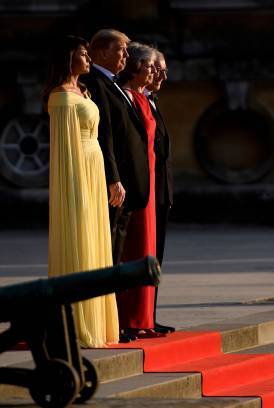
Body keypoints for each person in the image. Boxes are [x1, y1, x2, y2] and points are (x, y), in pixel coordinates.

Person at [44, 35, 119, 347]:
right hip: (77, 175)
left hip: (93, 169)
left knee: (96, 240)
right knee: (80, 238)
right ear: (69, 58)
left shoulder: (83, 91)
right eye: (83, 54)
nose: (88, 59)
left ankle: (97, 320)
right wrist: (74, 190)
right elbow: (64, 152)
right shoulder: (61, 96)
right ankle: (78, 322)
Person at [83, 29, 151, 342]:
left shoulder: (114, 84)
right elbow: (105, 137)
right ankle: (113, 323)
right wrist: (113, 178)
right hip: (115, 184)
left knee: (118, 252)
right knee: (110, 252)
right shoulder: (96, 83)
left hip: (128, 185)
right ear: (101, 53)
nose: (126, 56)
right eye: (121, 50)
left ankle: (116, 321)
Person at [116, 42, 164, 338]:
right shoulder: (130, 99)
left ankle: (143, 317)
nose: (155, 73)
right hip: (136, 184)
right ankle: (131, 317)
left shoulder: (144, 100)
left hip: (150, 182)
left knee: (147, 250)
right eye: (150, 67)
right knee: (134, 250)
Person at [146, 48, 175, 334]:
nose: (162, 75)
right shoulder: (138, 99)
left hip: (161, 191)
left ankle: (148, 316)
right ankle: (141, 317)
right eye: (157, 68)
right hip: (146, 191)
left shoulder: (152, 100)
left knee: (157, 257)